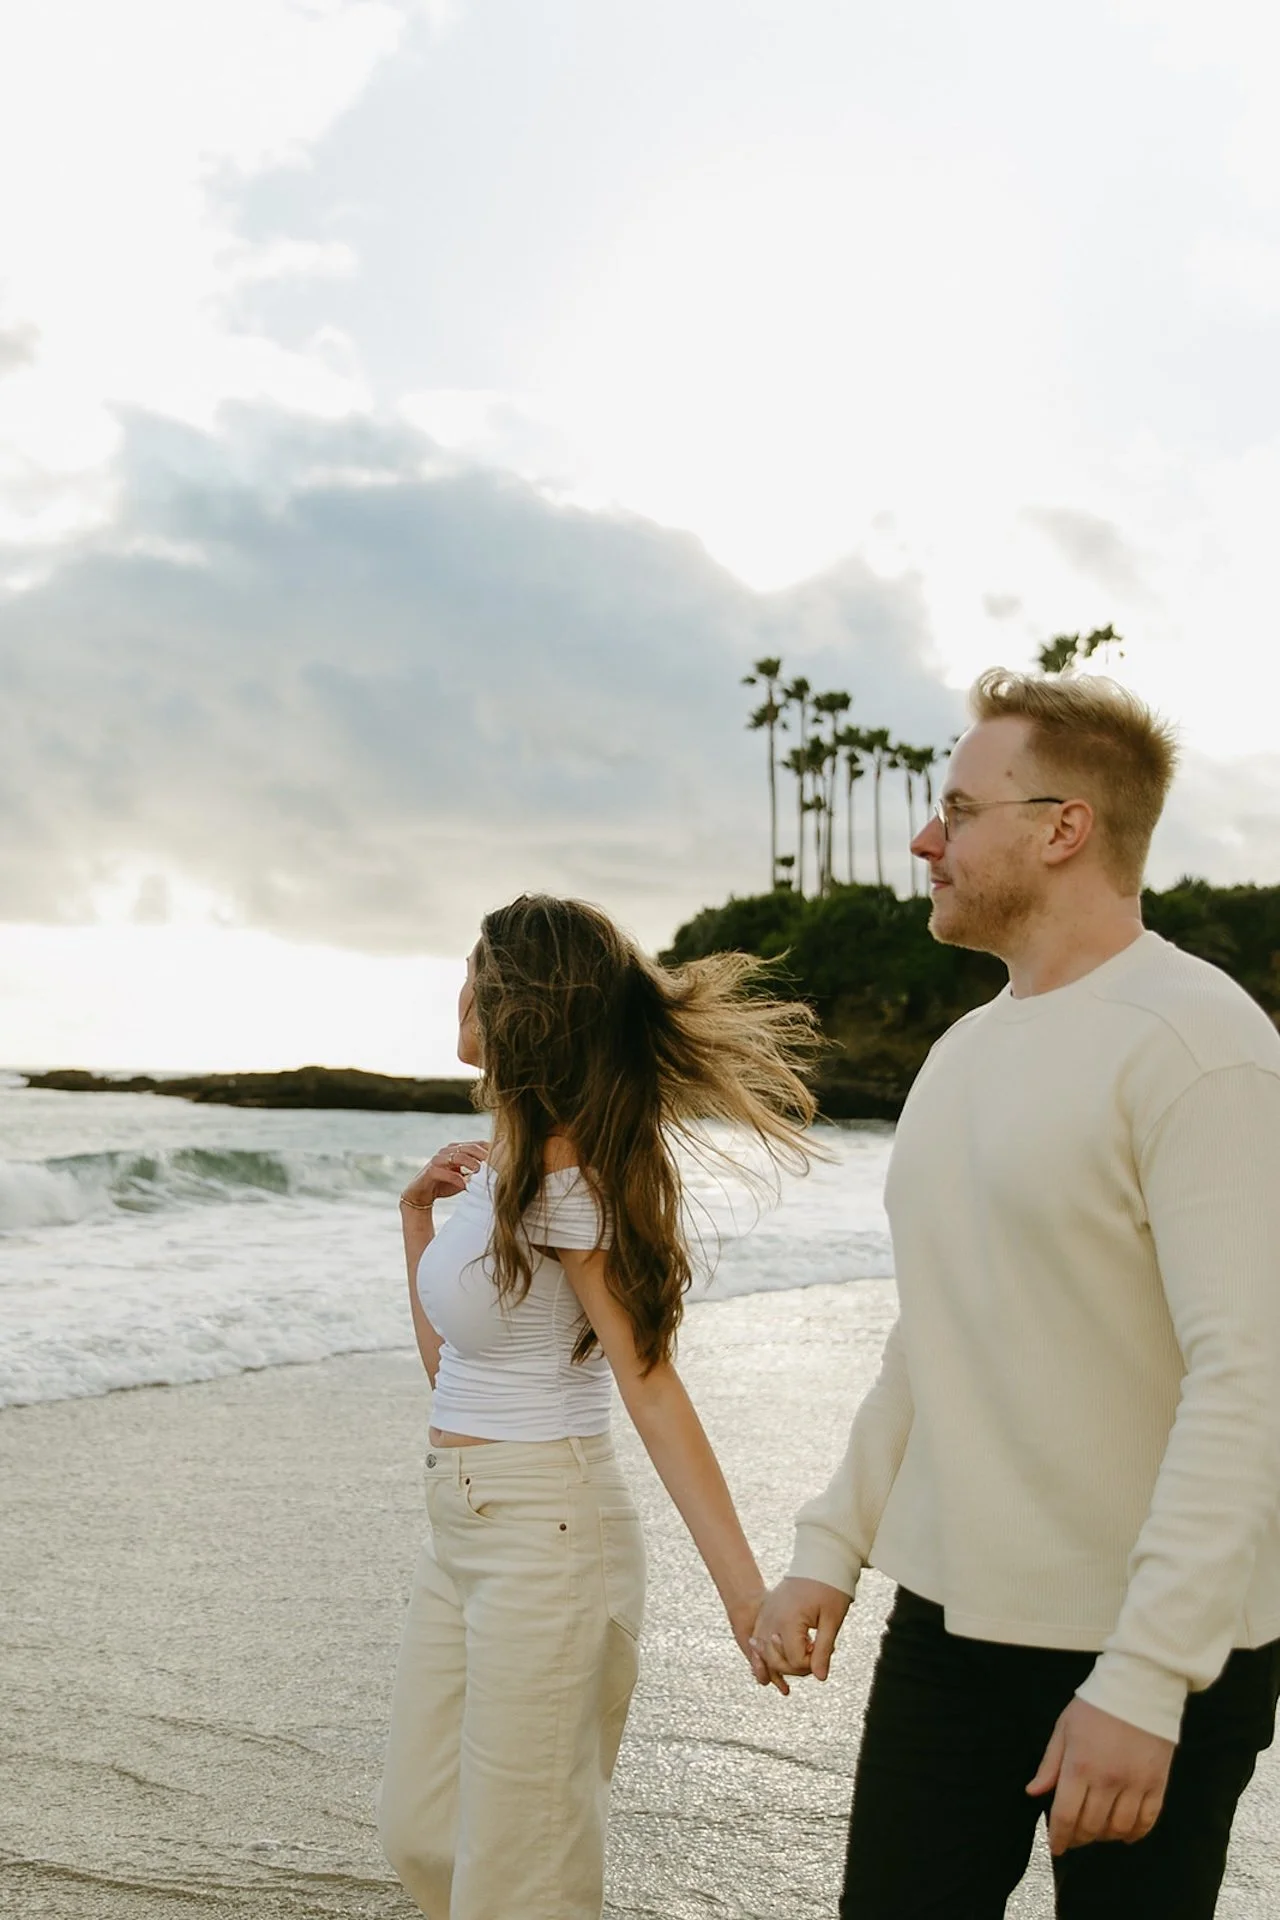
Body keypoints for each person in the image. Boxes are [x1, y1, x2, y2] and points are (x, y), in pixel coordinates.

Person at [754, 668, 1280, 1919]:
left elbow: (1248, 1378)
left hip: (1153, 1648)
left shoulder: (1202, 1048)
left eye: (957, 810)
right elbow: (931, 1333)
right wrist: (830, 1545)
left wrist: (1144, 1677)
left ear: (1061, 827)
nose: (926, 840)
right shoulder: (958, 1056)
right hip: (949, 1627)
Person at [377, 893, 817, 1920]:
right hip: (462, 1523)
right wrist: (413, 1221)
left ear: (518, 1006)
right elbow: (453, 1374)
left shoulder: (571, 1187)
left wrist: (743, 1597)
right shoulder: (500, 1174)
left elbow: (651, 1387)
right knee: (420, 1832)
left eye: (474, 974)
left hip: (550, 1538)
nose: (460, 992)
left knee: (521, 1885)